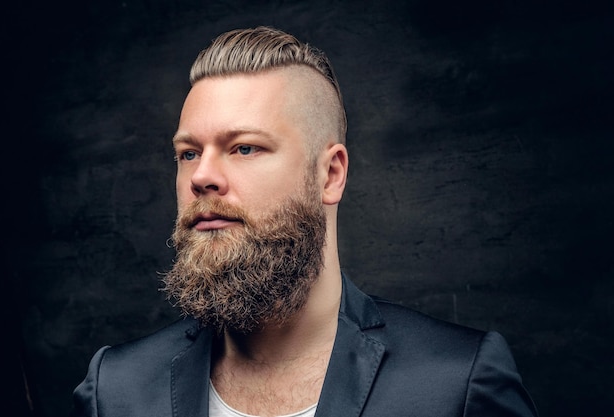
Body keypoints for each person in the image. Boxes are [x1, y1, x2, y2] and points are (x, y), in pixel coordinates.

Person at [71, 26, 538, 417]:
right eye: (188, 153)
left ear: (329, 174)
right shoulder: (116, 390)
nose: (202, 177)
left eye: (244, 148)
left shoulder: (455, 383)